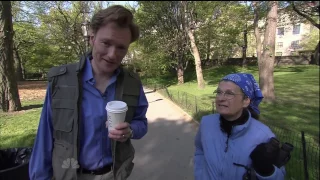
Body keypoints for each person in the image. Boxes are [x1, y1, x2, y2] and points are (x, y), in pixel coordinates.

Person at [29, 5, 148, 180]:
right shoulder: (61, 81)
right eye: (106, 43)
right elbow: (45, 137)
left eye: (121, 48)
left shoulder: (132, 83)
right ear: (92, 38)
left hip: (114, 174)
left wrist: (130, 130)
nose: (113, 54)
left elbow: (141, 122)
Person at [194, 73, 286, 180]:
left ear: (246, 101)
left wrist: (266, 171)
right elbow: (200, 150)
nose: (220, 98)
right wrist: (200, 174)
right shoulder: (206, 123)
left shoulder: (263, 135)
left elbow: (280, 176)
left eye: (229, 94)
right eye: (219, 92)